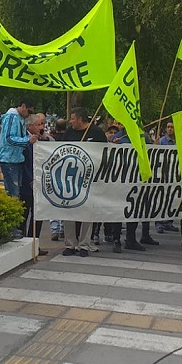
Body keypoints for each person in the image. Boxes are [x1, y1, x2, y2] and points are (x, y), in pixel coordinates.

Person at [60, 107, 106, 256]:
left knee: (87, 211)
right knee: (69, 210)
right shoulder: (69, 133)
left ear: (80, 119)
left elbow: (104, 153)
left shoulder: (96, 133)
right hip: (71, 178)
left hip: (90, 178)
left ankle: (85, 244)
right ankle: (70, 244)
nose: (70, 121)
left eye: (72, 118)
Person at [20, 112, 49, 256]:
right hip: (27, 184)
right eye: (38, 125)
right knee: (24, 215)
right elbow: (24, 163)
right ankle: (22, 244)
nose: (41, 127)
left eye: (42, 124)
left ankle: (34, 244)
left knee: (38, 215)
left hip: (40, 183)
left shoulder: (41, 140)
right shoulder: (25, 141)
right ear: (30, 126)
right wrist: (30, 179)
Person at [0, 99, 37, 201]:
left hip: (16, 159)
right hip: (9, 159)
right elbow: (9, 138)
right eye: (29, 111)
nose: (29, 115)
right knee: (13, 193)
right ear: (23, 106)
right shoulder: (12, 117)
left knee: (16, 192)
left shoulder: (20, 118)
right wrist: (27, 140)